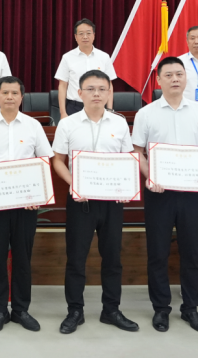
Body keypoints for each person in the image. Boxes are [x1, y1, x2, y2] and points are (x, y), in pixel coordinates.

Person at [132, 57, 198, 334]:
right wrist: (151, 176)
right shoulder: (146, 113)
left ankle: (191, 308)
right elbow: (137, 152)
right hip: (160, 193)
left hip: (193, 194)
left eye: (179, 74)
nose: (174, 79)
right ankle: (161, 308)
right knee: (157, 253)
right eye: (168, 75)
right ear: (158, 80)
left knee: (191, 253)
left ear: (186, 78)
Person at [52, 70, 139, 335]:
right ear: (79, 93)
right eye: (90, 89)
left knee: (112, 258)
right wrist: (74, 183)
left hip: (112, 201)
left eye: (102, 89)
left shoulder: (119, 123)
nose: (97, 94)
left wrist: (126, 186)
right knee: (76, 258)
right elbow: (57, 161)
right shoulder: (67, 124)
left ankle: (111, 310)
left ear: (109, 93)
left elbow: (128, 160)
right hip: (81, 201)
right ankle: (75, 311)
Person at [0, 76, 53, 334]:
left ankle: (21, 310)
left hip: (26, 205)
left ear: (21, 97)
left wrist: (37, 194)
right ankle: (0, 310)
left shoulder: (33, 126)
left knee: (23, 257)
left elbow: (44, 161)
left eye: (15, 93)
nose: (10, 97)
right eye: (5, 92)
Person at [55, 19, 117, 118]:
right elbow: (62, 86)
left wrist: (109, 109)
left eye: (88, 33)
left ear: (94, 35)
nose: (85, 37)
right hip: (74, 107)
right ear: (76, 37)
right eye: (81, 34)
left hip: (99, 106)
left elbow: (109, 85)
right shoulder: (67, 57)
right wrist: (63, 113)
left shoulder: (104, 57)